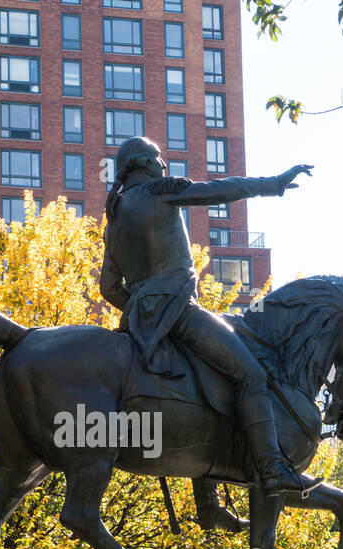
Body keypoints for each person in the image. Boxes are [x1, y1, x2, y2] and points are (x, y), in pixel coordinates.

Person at [100, 136, 318, 515]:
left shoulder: (114, 219)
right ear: (142, 164)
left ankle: (208, 500)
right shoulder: (160, 192)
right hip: (180, 311)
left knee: (210, 381)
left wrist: (142, 307)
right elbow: (220, 190)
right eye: (158, 158)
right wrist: (274, 185)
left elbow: (108, 287)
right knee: (251, 376)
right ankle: (272, 468)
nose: (163, 164)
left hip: (143, 323)